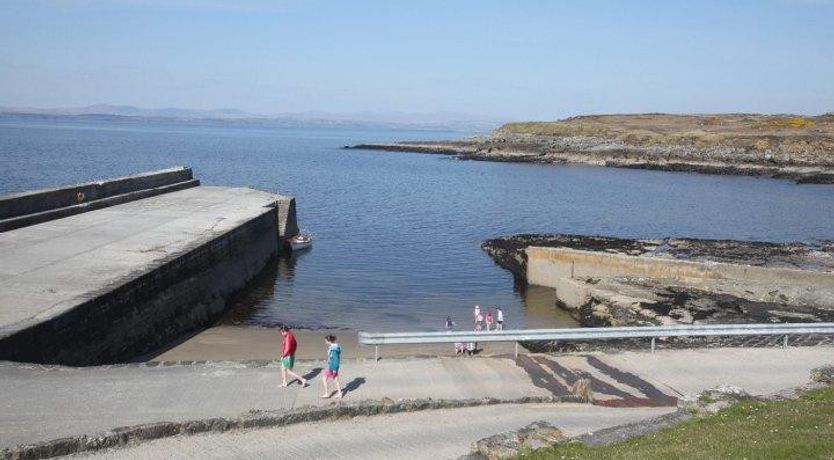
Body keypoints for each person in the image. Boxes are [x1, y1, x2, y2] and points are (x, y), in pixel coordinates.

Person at [321, 335, 343, 399]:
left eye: (326, 341)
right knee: (336, 380)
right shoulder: (335, 347)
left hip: (332, 367)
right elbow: (333, 358)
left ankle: (327, 394)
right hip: (333, 367)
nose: (325, 342)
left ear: (329, 341)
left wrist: (334, 369)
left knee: (324, 379)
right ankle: (340, 394)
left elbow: (336, 360)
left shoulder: (333, 350)